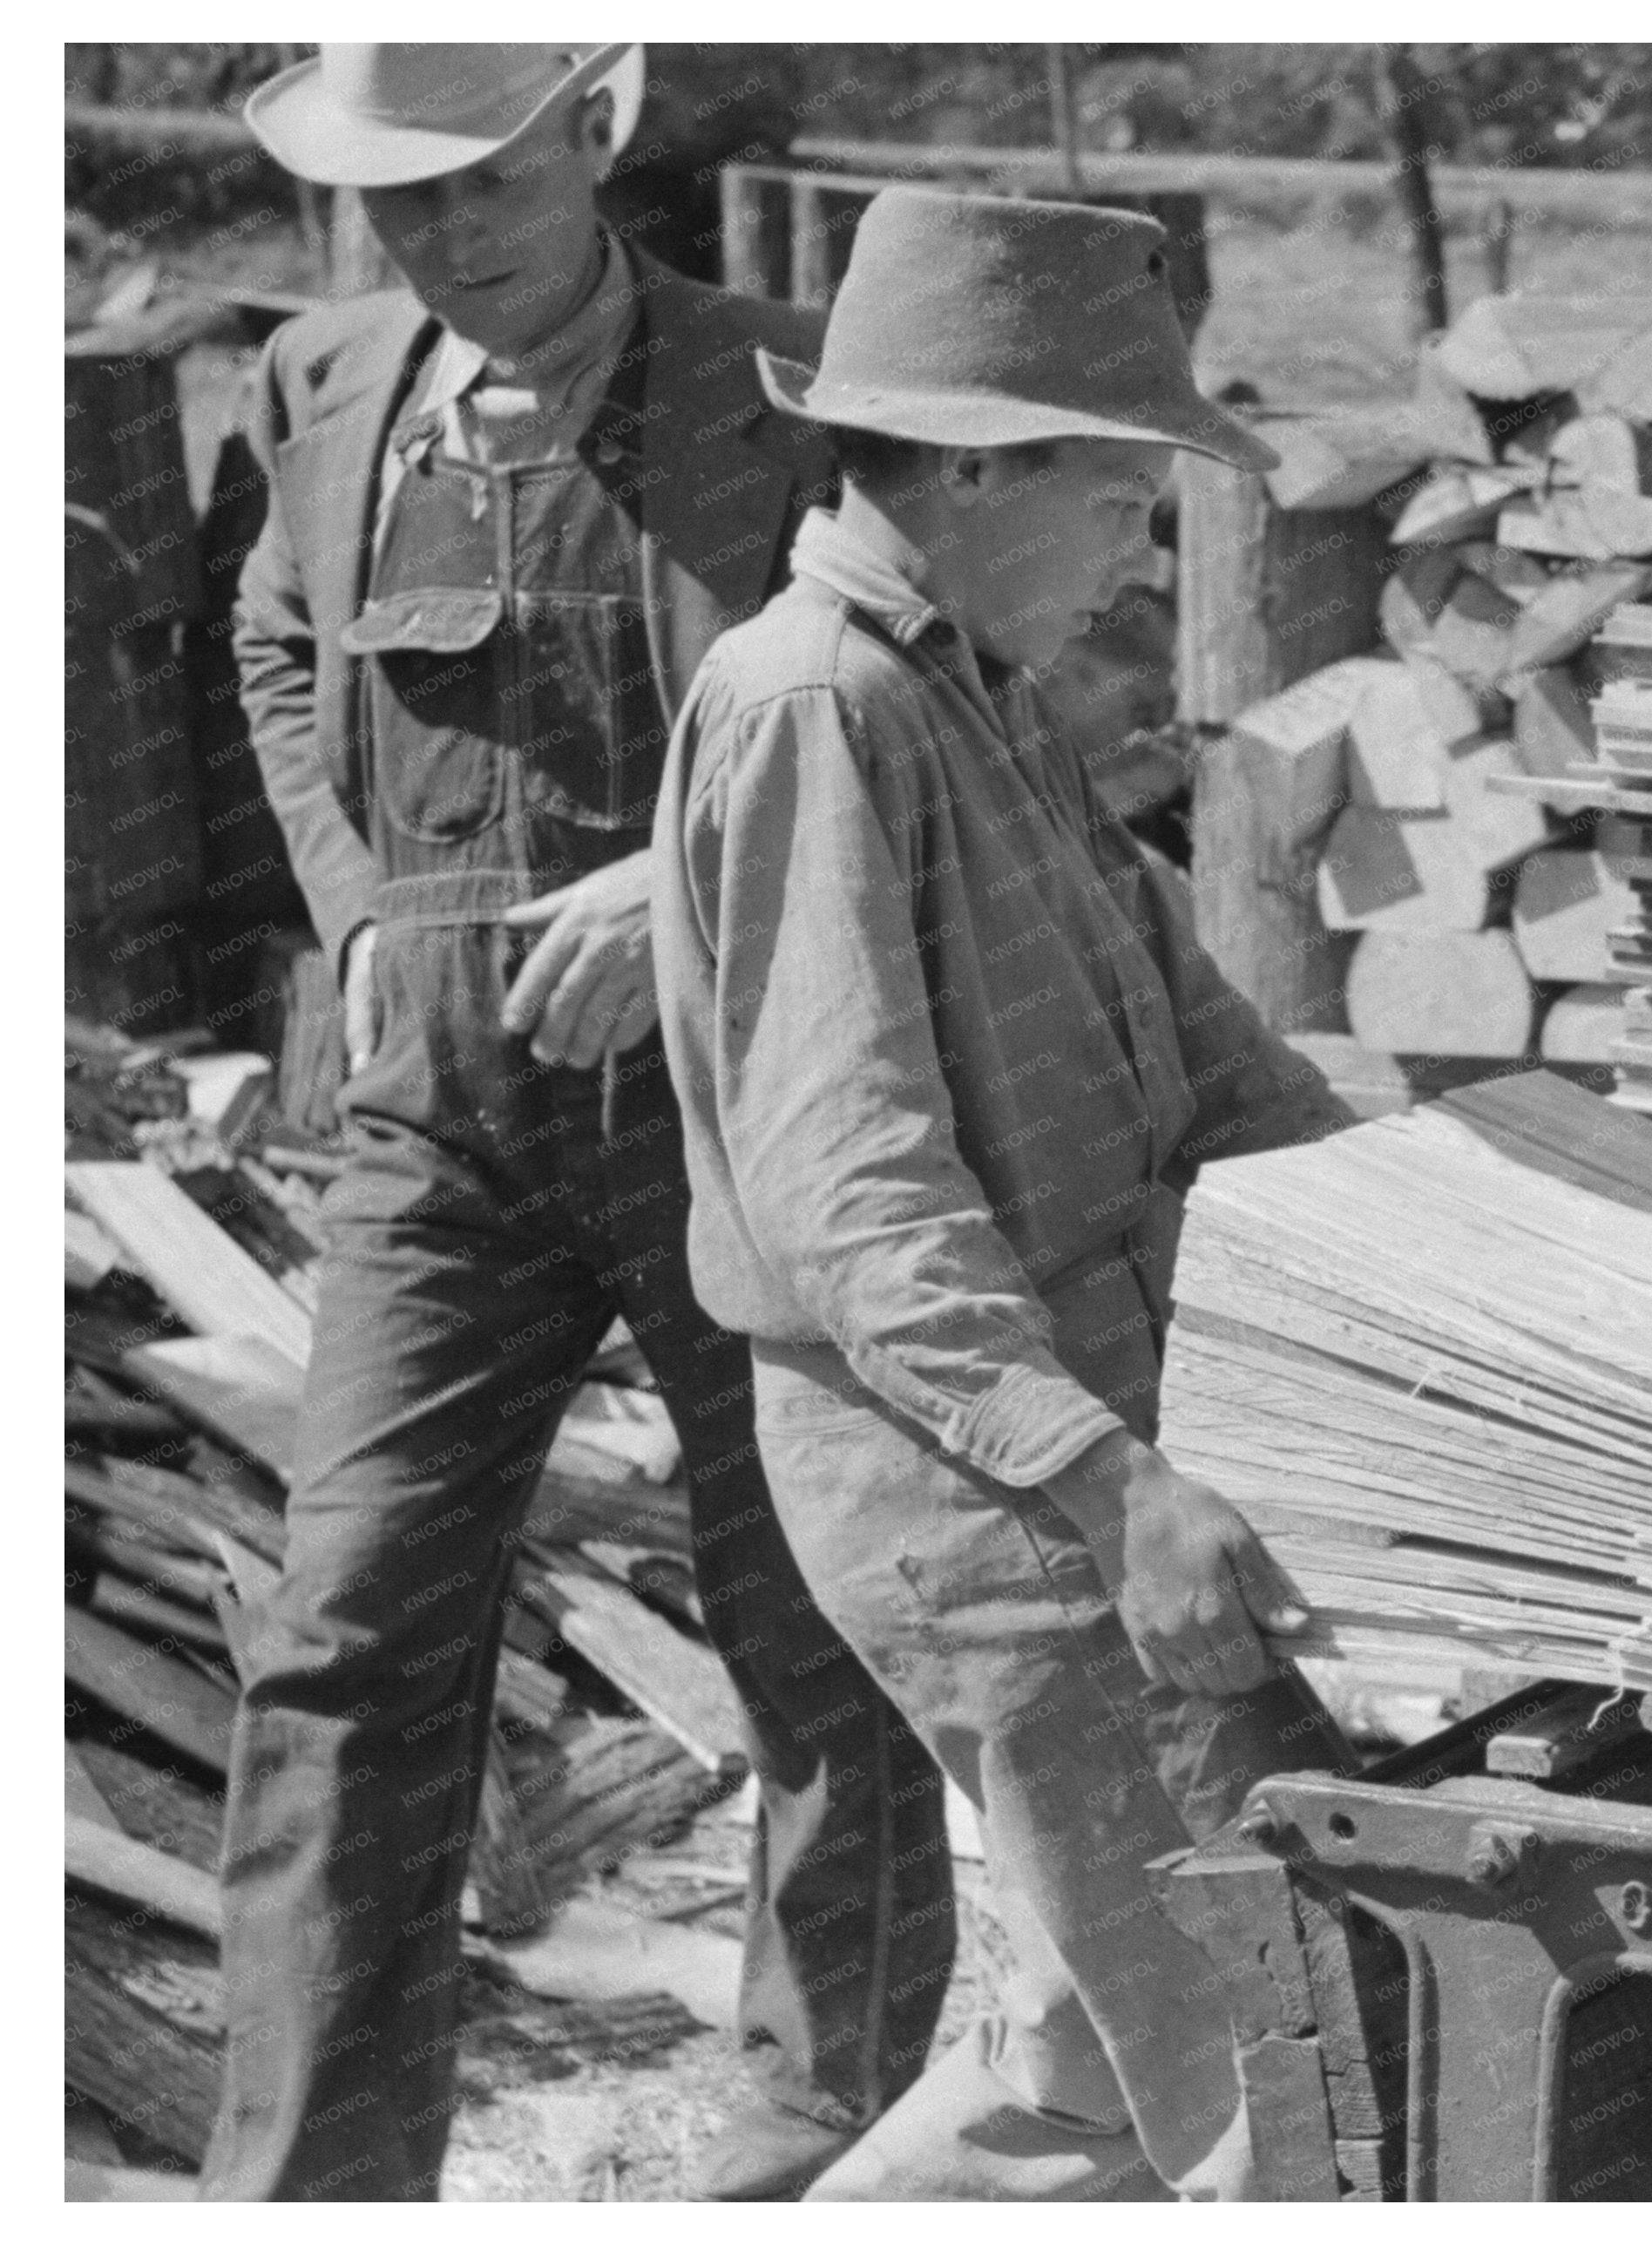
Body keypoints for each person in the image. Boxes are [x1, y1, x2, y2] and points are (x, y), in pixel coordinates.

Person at [210, 44, 955, 2201]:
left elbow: (937, 677)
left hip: (743, 1085)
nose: (446, 228)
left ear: (593, 137)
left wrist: (686, 882)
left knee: (813, 1620)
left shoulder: (800, 381)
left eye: (484, 174)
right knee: (351, 1626)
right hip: (434, 1106)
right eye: (400, 197)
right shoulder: (325, 380)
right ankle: (313, 2174)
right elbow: (278, 645)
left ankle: (809, 2144)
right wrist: (356, 915)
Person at [649, 187, 1359, 2201]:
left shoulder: (972, 686)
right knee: (1253, 2083)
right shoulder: (820, 705)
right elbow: (848, 1186)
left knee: (1081, 2076)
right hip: (976, 1472)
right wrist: (1107, 1485)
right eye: (1129, 502)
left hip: (1052, 1420)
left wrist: (1432, 1233)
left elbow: (1193, 1032)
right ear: (975, 469)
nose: (1148, 560)